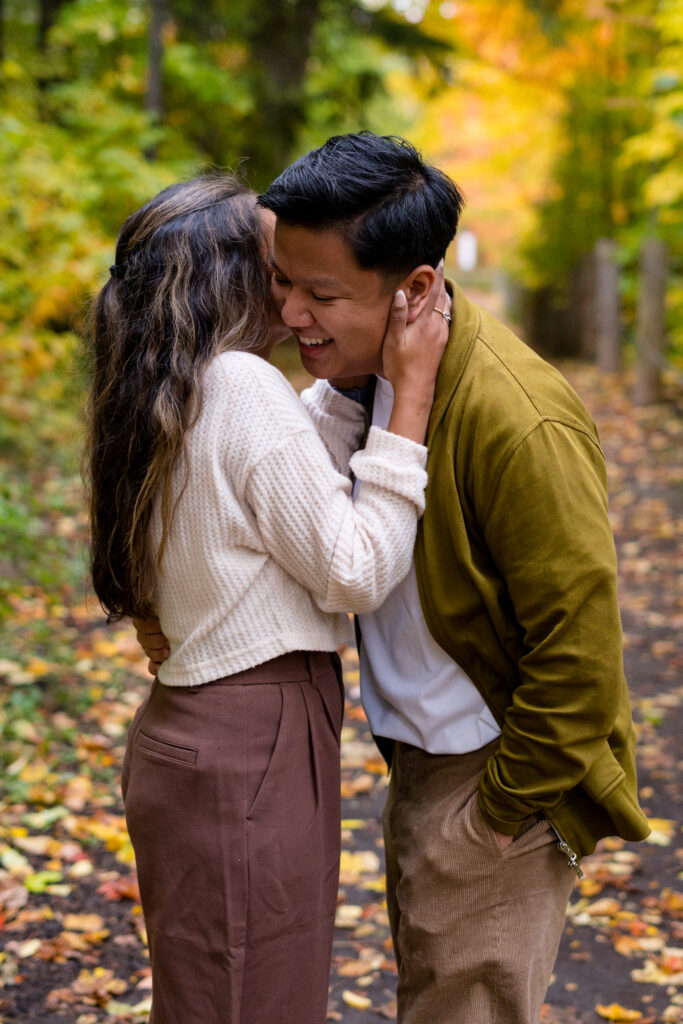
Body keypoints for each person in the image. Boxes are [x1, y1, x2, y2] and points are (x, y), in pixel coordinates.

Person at [137, 135, 651, 1024]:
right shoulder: (362, 376)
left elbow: (580, 655)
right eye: (281, 280)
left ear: (414, 288)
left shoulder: (513, 421)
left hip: (491, 777)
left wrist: (495, 816)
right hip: (423, 763)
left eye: (320, 293)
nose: (290, 312)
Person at [86, 172, 450, 1024]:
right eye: (278, 268)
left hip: (194, 737)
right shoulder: (241, 389)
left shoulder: (164, 390)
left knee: (215, 995)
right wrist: (411, 407)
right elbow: (354, 567)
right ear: (234, 280)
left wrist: (358, 380)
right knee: (259, 999)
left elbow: (281, 483)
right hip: (254, 739)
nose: (292, 290)